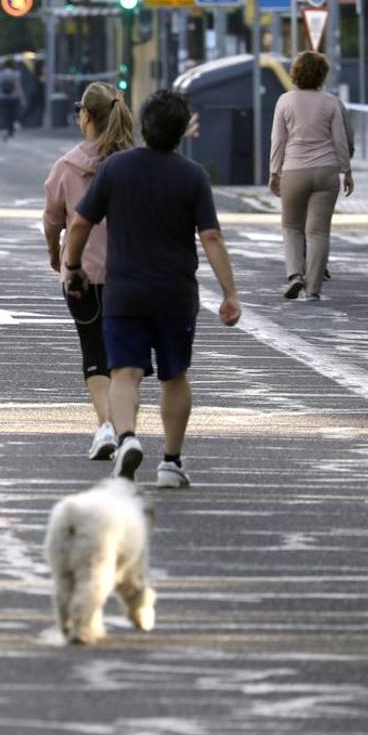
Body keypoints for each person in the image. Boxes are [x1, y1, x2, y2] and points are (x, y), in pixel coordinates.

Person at [63, 89, 241, 489]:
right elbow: (211, 236)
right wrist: (230, 293)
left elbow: (79, 224)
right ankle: (171, 462)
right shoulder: (192, 175)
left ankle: (126, 438)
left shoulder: (115, 169)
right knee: (174, 376)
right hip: (175, 294)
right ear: (182, 132)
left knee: (124, 373)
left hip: (123, 292)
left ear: (143, 126)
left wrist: (73, 266)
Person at [43, 83, 135, 462]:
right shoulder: (135, 163)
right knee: (126, 358)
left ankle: (107, 427)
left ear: (86, 116)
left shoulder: (66, 167)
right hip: (132, 274)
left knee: (93, 350)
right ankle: (120, 428)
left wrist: (56, 257)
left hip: (83, 274)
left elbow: (53, 221)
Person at [269, 51, 353, 302]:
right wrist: (346, 170)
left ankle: (295, 274)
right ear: (322, 75)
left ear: (295, 73)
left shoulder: (284, 101)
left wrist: (274, 172)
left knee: (292, 227)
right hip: (327, 171)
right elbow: (340, 139)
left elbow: (278, 141)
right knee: (318, 232)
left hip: (294, 170)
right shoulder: (331, 102)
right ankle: (313, 289)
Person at [0, 58, 24, 140]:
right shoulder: (16, 74)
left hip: (2, 97)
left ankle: (5, 128)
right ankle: (11, 130)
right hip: (13, 97)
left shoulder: (0, 74)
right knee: (12, 114)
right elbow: (18, 87)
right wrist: (22, 98)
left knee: (4, 114)